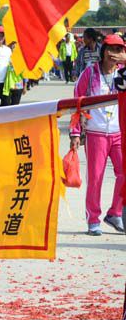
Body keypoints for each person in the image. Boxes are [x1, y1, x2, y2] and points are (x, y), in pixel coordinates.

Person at [71, 34, 126, 236]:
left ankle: (115, 212)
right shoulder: (90, 74)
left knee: (124, 174)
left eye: (120, 50)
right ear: (103, 51)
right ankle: (93, 219)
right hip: (96, 134)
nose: (114, 54)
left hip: (120, 133)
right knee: (96, 178)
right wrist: (75, 132)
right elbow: (76, 102)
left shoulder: (124, 73)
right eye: (111, 49)